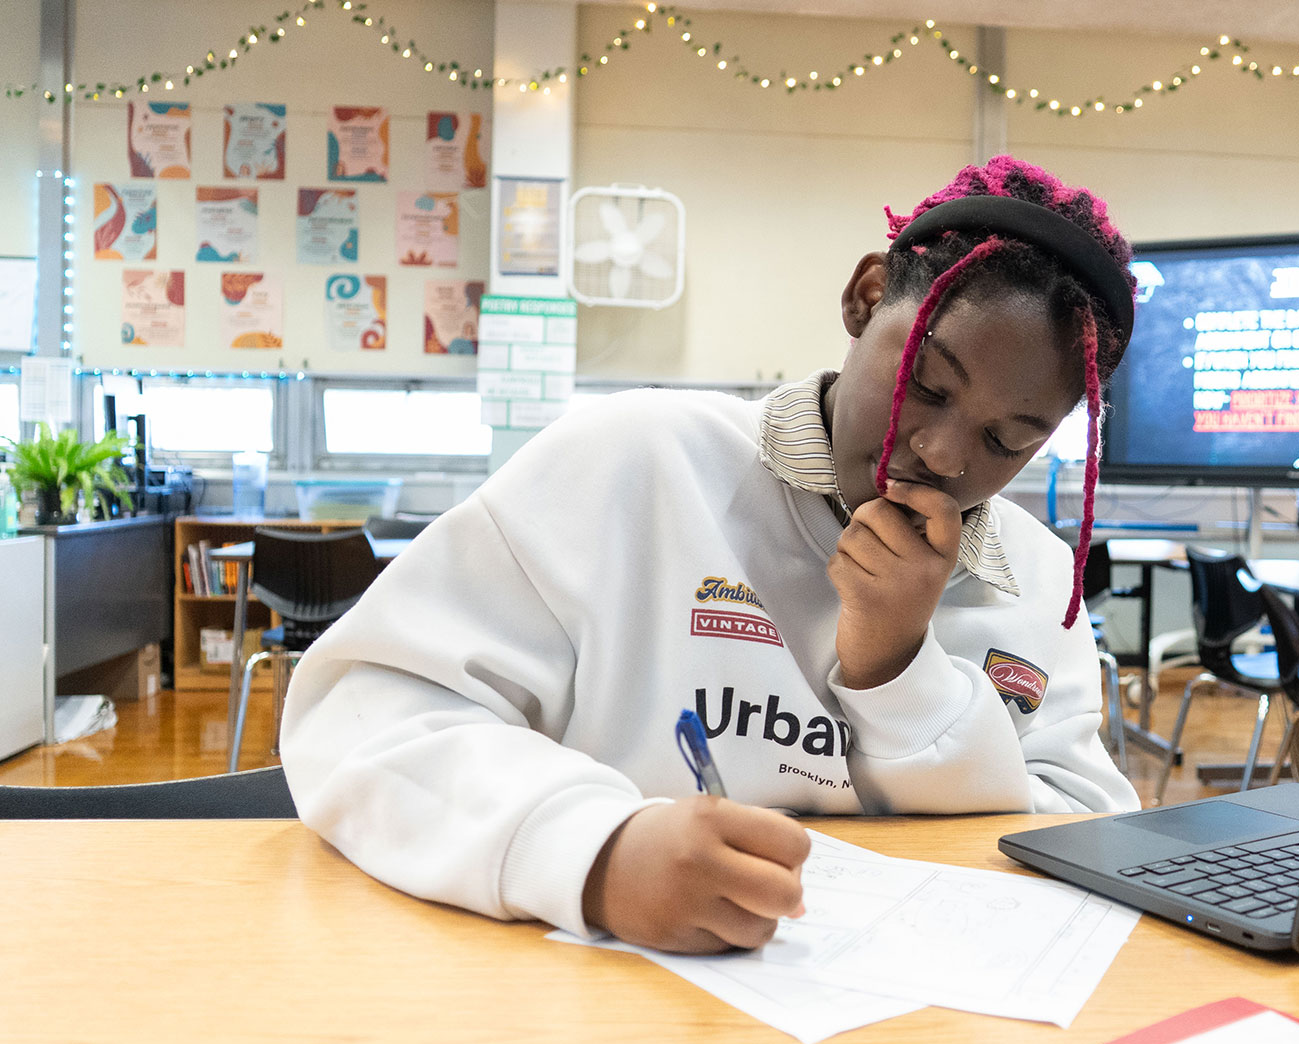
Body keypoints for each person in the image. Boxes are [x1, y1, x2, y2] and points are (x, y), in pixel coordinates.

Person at [280, 156, 1142, 956]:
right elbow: (366, 708)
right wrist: (595, 852)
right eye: (927, 382)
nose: (947, 456)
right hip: (601, 986)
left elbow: (1074, 835)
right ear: (867, 297)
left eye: (1006, 438)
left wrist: (898, 667)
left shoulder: (1037, 579)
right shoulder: (641, 459)